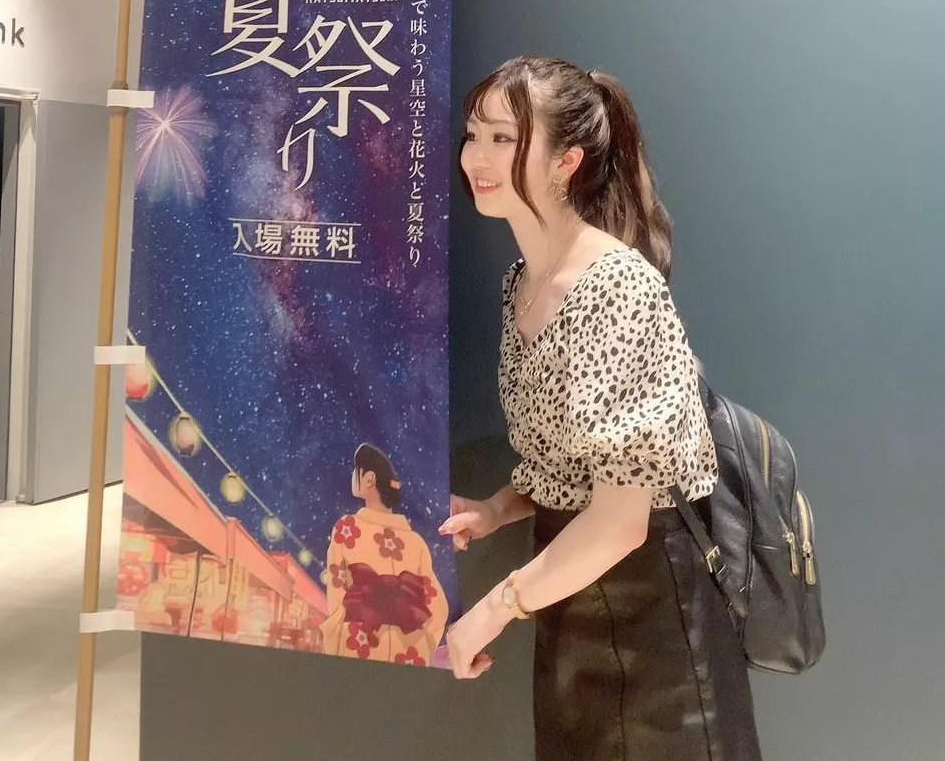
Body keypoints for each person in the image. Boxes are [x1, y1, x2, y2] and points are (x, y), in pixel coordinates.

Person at [440, 56, 761, 760]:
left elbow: (620, 520)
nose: (478, 157)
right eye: (474, 135)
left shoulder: (615, 286)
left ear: (566, 162)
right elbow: (570, 463)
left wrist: (493, 610)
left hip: (653, 616)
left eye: (504, 138)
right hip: (567, 596)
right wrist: (496, 509)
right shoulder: (521, 282)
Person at [320, 443, 449, 665]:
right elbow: (439, 608)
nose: (353, 476)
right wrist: (425, 642)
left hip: (358, 640)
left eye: (356, 471)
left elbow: (336, 593)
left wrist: (335, 635)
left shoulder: (347, 527)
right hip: (409, 648)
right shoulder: (415, 542)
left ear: (369, 479)